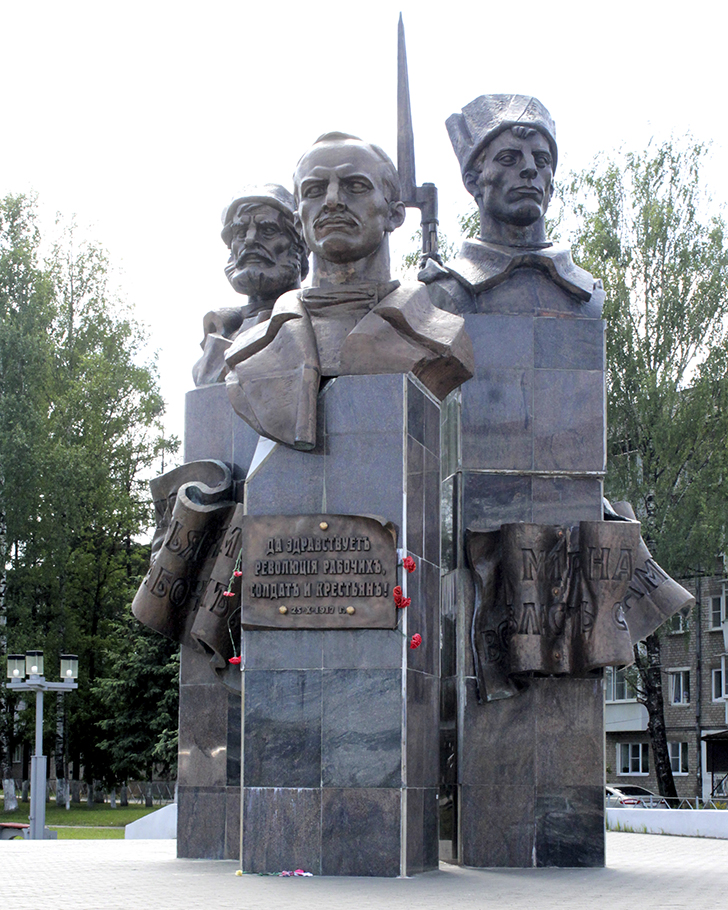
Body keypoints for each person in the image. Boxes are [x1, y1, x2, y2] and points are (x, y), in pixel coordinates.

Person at [224, 132, 474, 449]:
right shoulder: (250, 350)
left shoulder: (440, 335)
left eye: (355, 186)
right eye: (314, 191)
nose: (332, 200)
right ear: (299, 224)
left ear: (394, 214)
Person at [420, 94, 603, 312]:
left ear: (551, 186)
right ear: (473, 181)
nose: (530, 168)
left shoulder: (588, 294)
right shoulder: (446, 289)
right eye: (508, 159)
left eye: (542, 160)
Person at [192, 184, 308, 386]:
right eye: (240, 232)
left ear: (300, 245)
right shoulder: (220, 332)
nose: (250, 240)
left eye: (268, 230)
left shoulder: (315, 325)